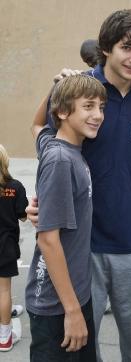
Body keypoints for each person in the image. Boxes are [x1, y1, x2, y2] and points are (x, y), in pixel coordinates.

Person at [28, 9, 131, 361]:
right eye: (126, 48)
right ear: (106, 47)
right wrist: (43, 202)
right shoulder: (78, 90)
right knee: (81, 348)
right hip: (84, 248)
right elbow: (44, 138)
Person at [26, 74, 106, 360]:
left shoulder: (56, 145)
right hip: (56, 304)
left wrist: (55, 88)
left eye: (101, 107)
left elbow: (37, 125)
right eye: (88, 106)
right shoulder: (60, 160)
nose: (97, 115)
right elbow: (48, 240)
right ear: (62, 112)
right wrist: (72, 311)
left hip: (75, 295)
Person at [0, 145, 27, 352]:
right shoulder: (15, 187)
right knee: (4, 290)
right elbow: (23, 215)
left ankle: (6, 312)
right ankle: (5, 337)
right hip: (5, 247)